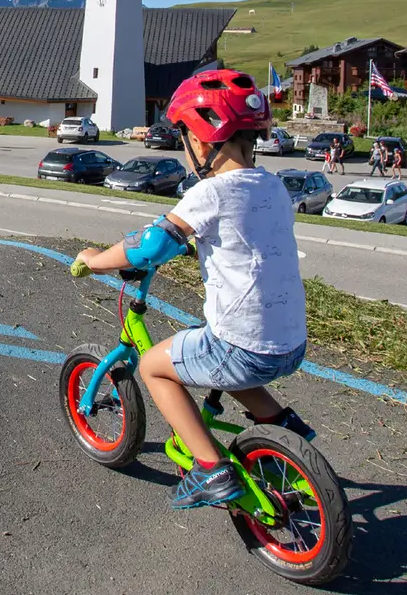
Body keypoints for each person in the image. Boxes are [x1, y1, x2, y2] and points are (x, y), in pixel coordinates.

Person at [73, 69, 313, 510]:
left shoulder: (211, 193)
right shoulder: (275, 188)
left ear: (200, 143)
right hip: (291, 343)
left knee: (152, 366)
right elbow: (247, 240)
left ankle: (210, 468)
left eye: (184, 139)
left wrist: (95, 259)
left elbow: (147, 248)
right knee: (225, 361)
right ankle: (284, 426)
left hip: (242, 344)